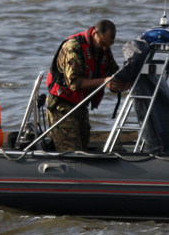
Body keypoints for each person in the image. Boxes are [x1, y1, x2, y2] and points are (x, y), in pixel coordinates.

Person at [45, 20, 128, 152]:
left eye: (109, 45)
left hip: (81, 106)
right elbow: (73, 83)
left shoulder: (103, 50)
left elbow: (114, 73)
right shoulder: (74, 47)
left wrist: (120, 84)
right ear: (95, 33)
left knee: (83, 150)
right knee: (72, 152)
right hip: (62, 106)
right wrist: (105, 82)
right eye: (103, 43)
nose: (105, 48)